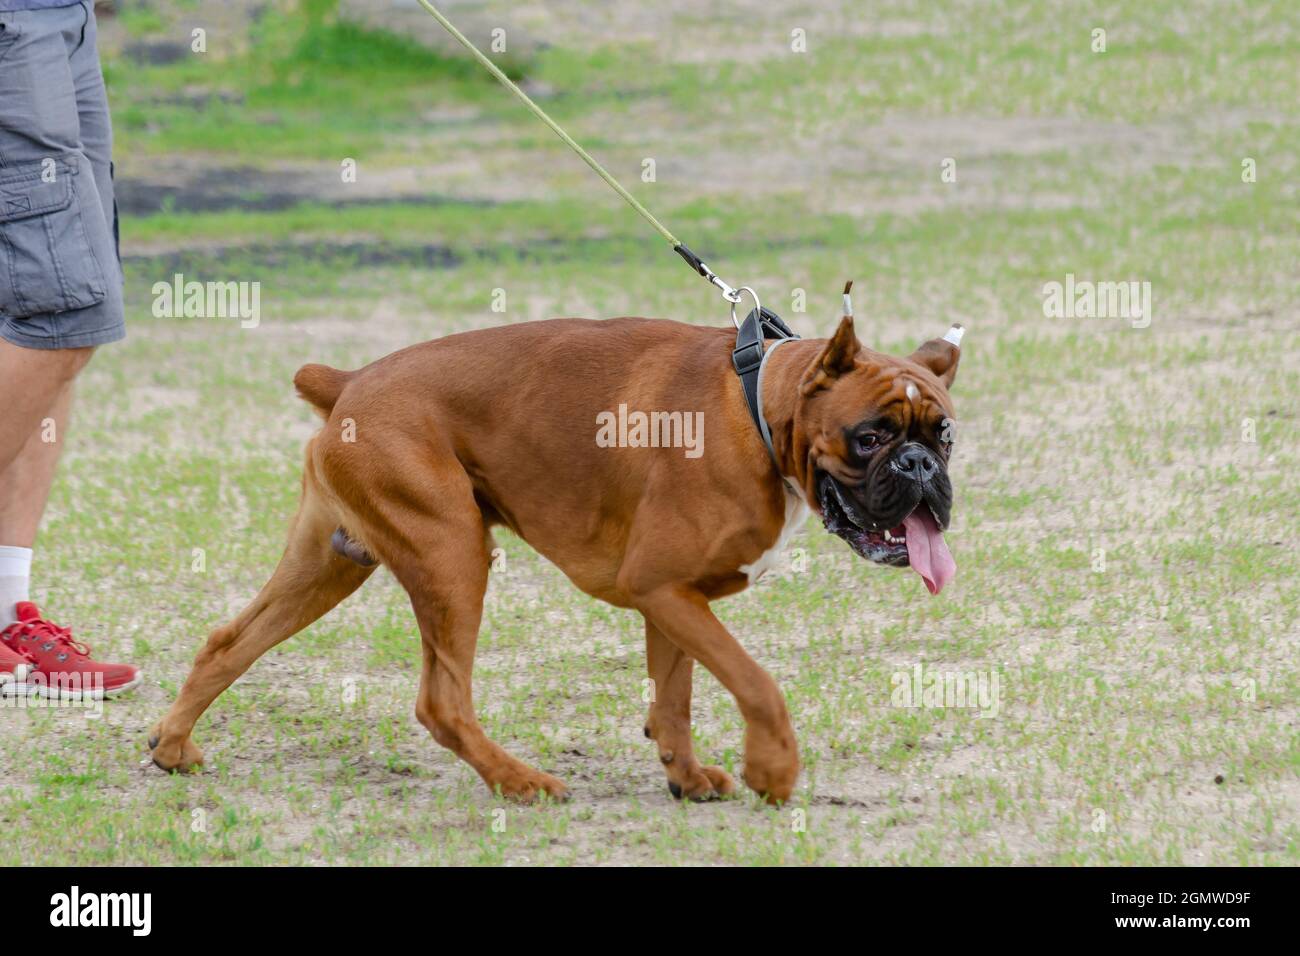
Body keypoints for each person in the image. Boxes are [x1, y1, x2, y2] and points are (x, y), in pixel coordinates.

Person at [0, 0, 139, 697]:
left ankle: (4, 617)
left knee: (29, 310)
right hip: (14, 25)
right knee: (65, 310)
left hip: (59, 17)